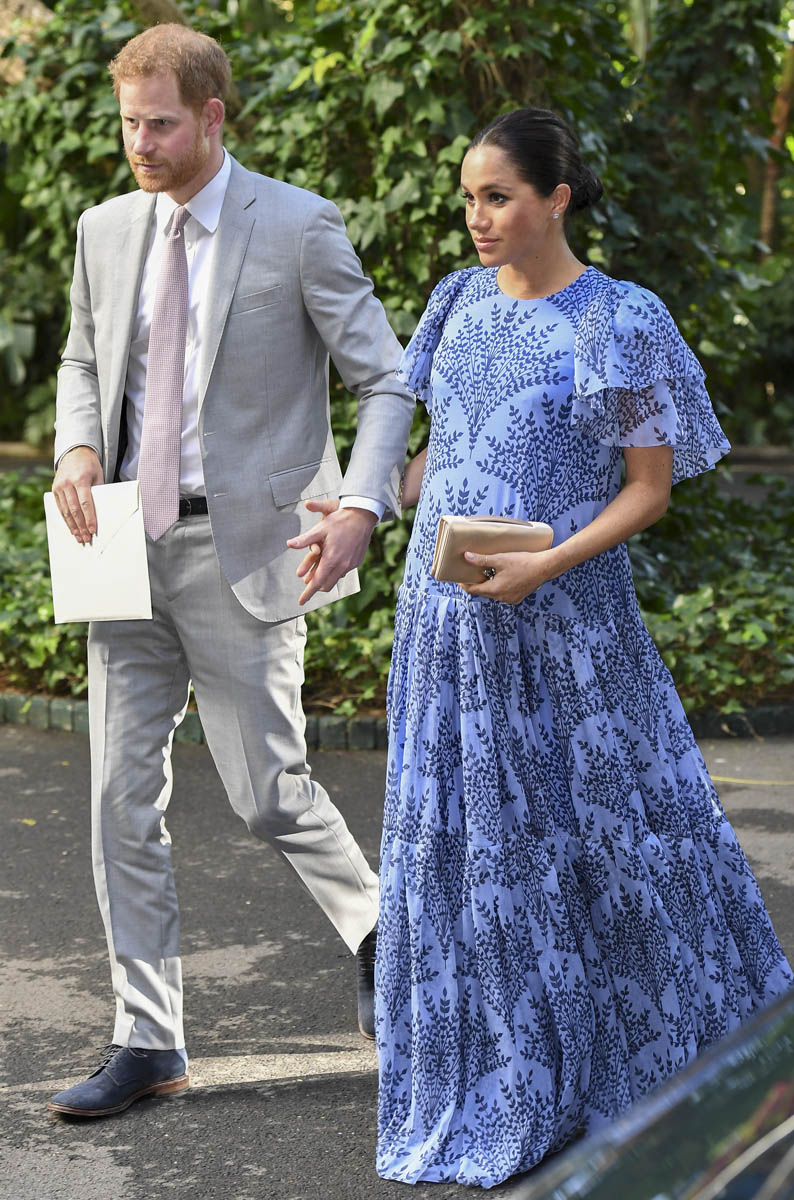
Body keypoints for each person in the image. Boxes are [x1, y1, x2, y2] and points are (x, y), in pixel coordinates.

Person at [373, 108, 794, 1187]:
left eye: (496, 196)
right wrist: (359, 506)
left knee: (609, 839)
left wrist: (544, 564)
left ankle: (654, 1072)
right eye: (467, 197)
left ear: (556, 198)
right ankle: (506, 1071)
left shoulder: (618, 318)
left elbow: (646, 492)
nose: (475, 218)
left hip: (565, 629)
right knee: (471, 854)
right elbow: (439, 448)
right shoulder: (454, 303)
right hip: (448, 634)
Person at [47, 23, 414, 1118]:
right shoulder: (104, 229)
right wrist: (73, 445)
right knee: (119, 797)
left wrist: (359, 505)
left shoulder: (298, 227)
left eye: (160, 124)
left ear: (211, 116)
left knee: (266, 791)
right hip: (123, 543)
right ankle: (147, 1038)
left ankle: (378, 930)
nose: (141, 145)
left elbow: (384, 380)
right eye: (128, 125)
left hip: (251, 544)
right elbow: (79, 357)